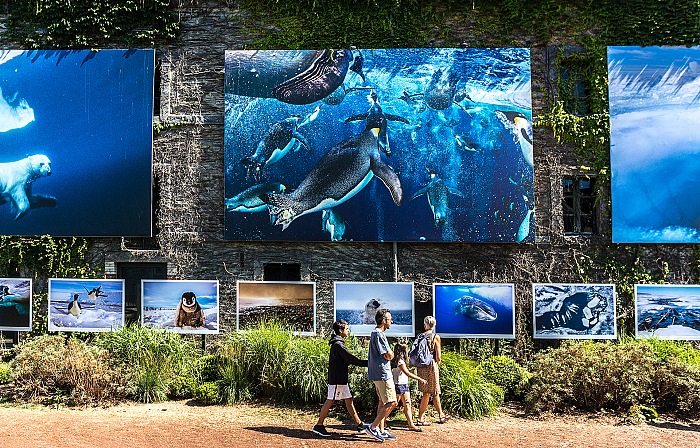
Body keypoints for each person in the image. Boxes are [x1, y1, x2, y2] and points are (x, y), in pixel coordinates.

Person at [312, 319, 370, 437]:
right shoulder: (338, 345)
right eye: (347, 329)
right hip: (337, 379)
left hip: (341, 379)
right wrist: (369, 363)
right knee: (330, 400)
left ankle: (359, 424)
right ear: (340, 330)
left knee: (349, 400)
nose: (348, 331)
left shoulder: (338, 343)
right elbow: (352, 359)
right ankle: (318, 425)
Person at [365, 308, 397, 442]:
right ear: (384, 321)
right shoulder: (379, 334)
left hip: (378, 373)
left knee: (382, 401)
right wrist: (391, 354)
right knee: (392, 402)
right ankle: (373, 427)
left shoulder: (375, 333)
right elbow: (388, 355)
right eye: (389, 319)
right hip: (383, 373)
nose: (391, 321)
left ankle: (381, 430)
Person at [416, 315, 450, 425]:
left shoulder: (420, 336)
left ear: (425, 324)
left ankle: (441, 415)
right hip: (431, 365)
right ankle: (420, 418)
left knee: (432, 392)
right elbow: (438, 356)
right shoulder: (435, 337)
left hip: (421, 366)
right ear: (434, 325)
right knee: (429, 392)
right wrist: (438, 364)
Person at [391, 342, 427, 432]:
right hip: (398, 385)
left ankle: (411, 424)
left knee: (407, 404)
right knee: (392, 405)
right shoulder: (400, 361)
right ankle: (381, 422)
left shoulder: (396, 360)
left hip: (403, 384)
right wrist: (420, 379)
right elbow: (407, 373)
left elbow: (404, 372)